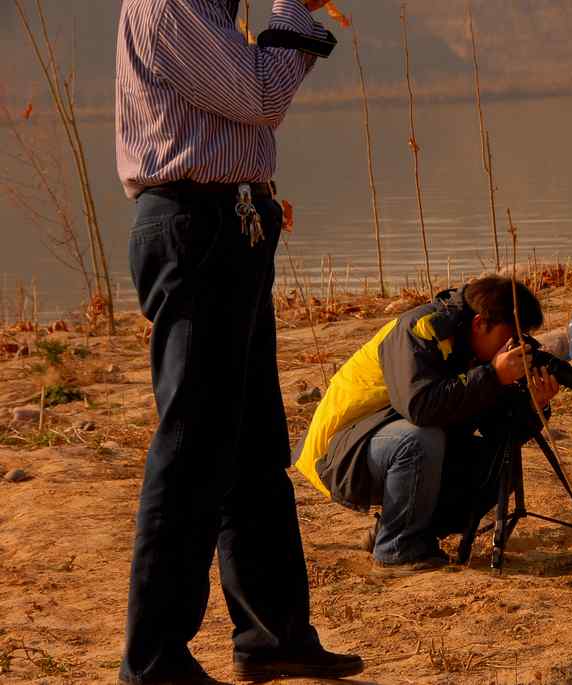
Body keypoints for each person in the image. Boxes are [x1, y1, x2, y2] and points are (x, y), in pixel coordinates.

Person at [115, 1, 362, 683]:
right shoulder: (173, 3)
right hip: (196, 231)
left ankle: (272, 633)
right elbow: (260, 94)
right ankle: (154, 660)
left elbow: (248, 102)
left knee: (252, 446)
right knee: (191, 450)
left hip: (232, 224)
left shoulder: (213, 10)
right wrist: (291, 12)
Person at [292, 276, 560, 573]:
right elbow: (420, 408)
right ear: (480, 324)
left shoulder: (475, 352)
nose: (512, 349)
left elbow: (499, 432)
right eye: (509, 338)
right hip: (340, 451)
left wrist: (535, 405)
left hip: (385, 441)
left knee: (500, 461)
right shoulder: (421, 329)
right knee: (420, 438)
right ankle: (396, 550)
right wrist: (493, 377)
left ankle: (398, 530)